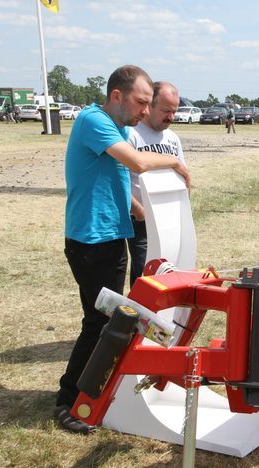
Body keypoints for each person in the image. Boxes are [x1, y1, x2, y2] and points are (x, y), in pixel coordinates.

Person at [57, 65, 190, 434]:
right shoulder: (92, 120)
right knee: (100, 322)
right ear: (117, 95)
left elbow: (115, 179)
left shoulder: (118, 128)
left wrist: (140, 209)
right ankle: (69, 401)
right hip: (91, 241)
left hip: (112, 237)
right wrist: (174, 161)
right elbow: (136, 163)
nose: (145, 112)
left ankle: (100, 391)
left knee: (113, 320)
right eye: (141, 102)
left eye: (149, 104)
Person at [126, 81, 185, 288]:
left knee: (171, 268)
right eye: (166, 110)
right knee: (146, 273)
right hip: (141, 219)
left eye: (174, 111)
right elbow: (121, 177)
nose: (171, 116)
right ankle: (138, 318)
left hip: (170, 218)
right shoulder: (131, 134)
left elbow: (182, 176)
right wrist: (138, 209)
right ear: (149, 105)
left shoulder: (172, 138)